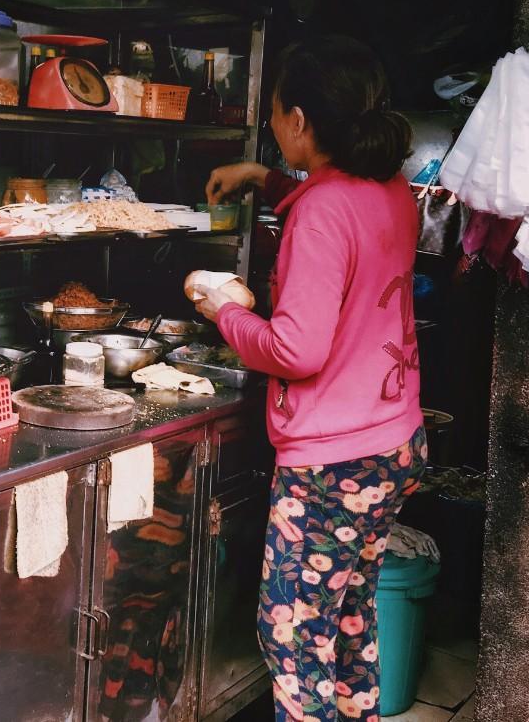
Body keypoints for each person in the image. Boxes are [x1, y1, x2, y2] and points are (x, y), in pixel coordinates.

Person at [196, 35, 427, 722]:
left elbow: (297, 351)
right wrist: (259, 176)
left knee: (291, 637)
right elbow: (335, 208)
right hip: (393, 443)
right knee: (349, 619)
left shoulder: (322, 214)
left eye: (272, 116)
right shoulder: (389, 190)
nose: (270, 127)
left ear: (299, 121)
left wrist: (224, 313)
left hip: (334, 464)